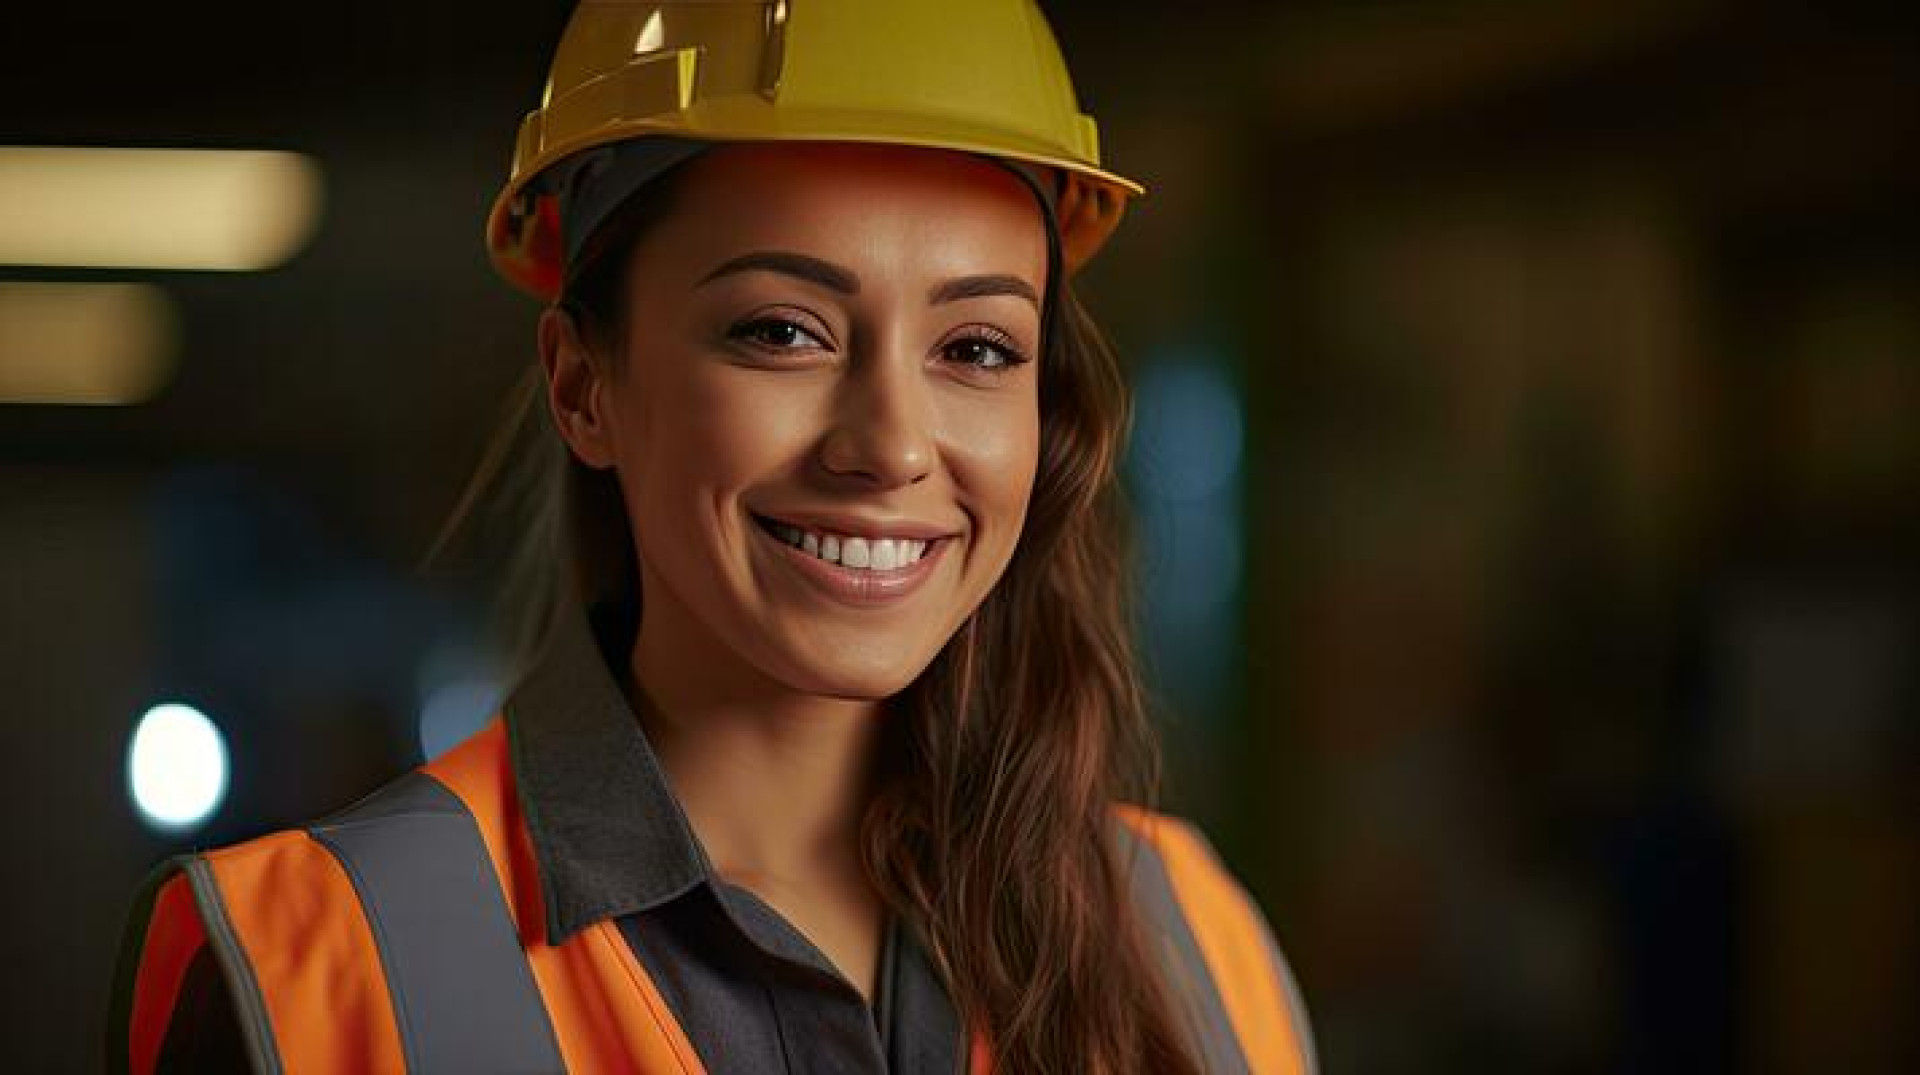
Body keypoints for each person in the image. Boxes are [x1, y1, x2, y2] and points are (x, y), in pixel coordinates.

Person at [108, 2, 1317, 1072]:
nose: (891, 444)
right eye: (782, 332)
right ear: (585, 387)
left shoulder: (1192, 941)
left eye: (978, 348)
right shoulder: (310, 965)